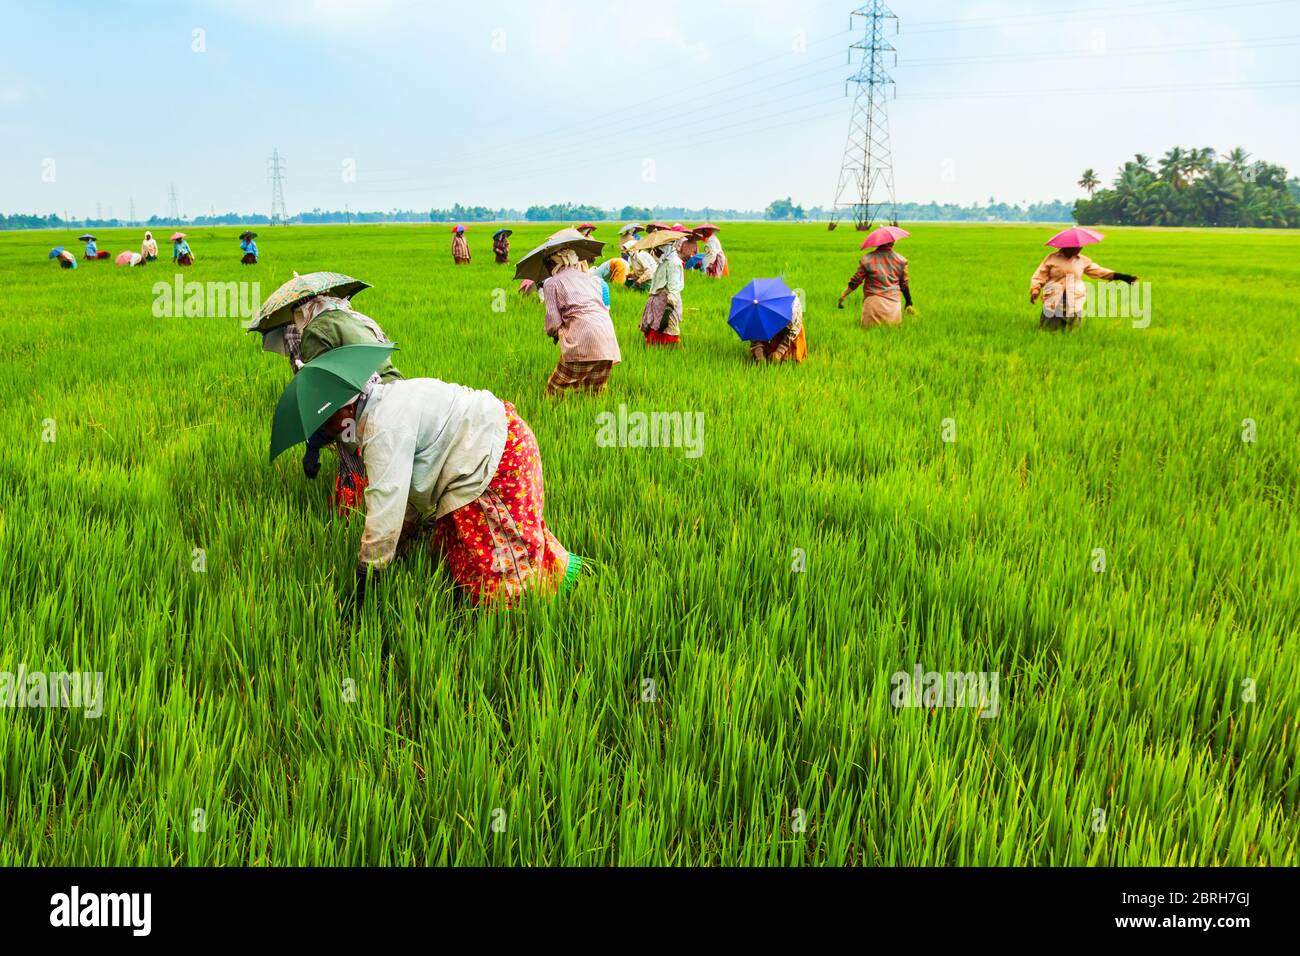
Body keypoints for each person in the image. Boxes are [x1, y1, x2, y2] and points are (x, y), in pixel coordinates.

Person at [316, 376, 583, 610]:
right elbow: (403, 484)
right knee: (460, 548)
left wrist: (367, 576)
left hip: (498, 457)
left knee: (501, 570)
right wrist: (405, 530)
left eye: (325, 420)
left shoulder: (383, 427)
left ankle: (524, 626)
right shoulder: (385, 403)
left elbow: (386, 506)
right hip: (498, 439)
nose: (324, 430)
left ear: (347, 408)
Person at [541, 248, 621, 395]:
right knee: (594, 392)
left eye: (547, 263)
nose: (546, 268)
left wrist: (553, 333)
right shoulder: (591, 279)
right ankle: (593, 415)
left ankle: (555, 413)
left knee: (554, 390)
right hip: (607, 337)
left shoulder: (551, 283)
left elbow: (553, 321)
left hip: (581, 339)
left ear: (554, 263)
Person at [1030, 247, 1138, 331]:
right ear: (1068, 246)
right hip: (1054, 295)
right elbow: (1040, 274)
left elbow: (1099, 271)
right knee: (1049, 327)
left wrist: (1123, 277)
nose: (1080, 248)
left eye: (1081, 246)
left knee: (1073, 328)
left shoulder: (1082, 260)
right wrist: (1035, 289)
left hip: (1074, 296)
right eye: (1077, 246)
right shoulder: (1052, 258)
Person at [837, 239, 914, 328]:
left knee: (868, 334)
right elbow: (904, 285)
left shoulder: (867, 259)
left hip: (872, 305)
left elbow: (856, 281)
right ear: (892, 243)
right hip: (893, 306)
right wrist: (909, 302)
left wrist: (843, 295)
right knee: (892, 335)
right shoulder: (901, 260)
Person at [639, 235, 696, 346]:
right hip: (657, 305)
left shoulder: (674, 264)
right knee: (654, 337)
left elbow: (674, 290)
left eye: (658, 250)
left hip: (666, 305)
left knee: (667, 335)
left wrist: (667, 313)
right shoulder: (663, 262)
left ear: (666, 248)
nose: (655, 253)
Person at [749, 295, 806, 364]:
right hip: (773, 326)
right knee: (766, 355)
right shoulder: (756, 308)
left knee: (791, 358)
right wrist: (759, 353)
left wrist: (779, 352)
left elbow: (793, 331)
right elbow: (754, 331)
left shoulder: (792, 308)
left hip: (790, 329)